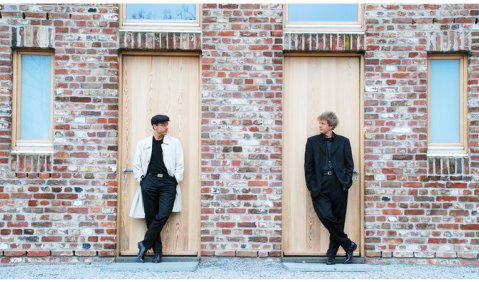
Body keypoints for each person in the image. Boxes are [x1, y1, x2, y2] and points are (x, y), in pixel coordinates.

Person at [130, 114, 184, 263]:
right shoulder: (143, 144)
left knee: (163, 214)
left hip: (168, 183)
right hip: (150, 182)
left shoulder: (174, 143)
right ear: (154, 126)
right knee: (151, 217)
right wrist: (142, 180)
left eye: (167, 124)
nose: (166, 127)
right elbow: (137, 165)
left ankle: (144, 244)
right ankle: (157, 253)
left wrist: (175, 180)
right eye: (163, 124)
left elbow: (180, 164)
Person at [304, 111, 356, 265]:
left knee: (337, 221)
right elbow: (308, 167)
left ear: (331, 126)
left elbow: (349, 165)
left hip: (338, 184)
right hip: (320, 185)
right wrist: (312, 186)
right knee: (327, 216)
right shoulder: (312, 142)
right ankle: (348, 244)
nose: (319, 126)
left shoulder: (344, 142)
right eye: (319, 123)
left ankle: (331, 255)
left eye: (322, 123)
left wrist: (346, 182)